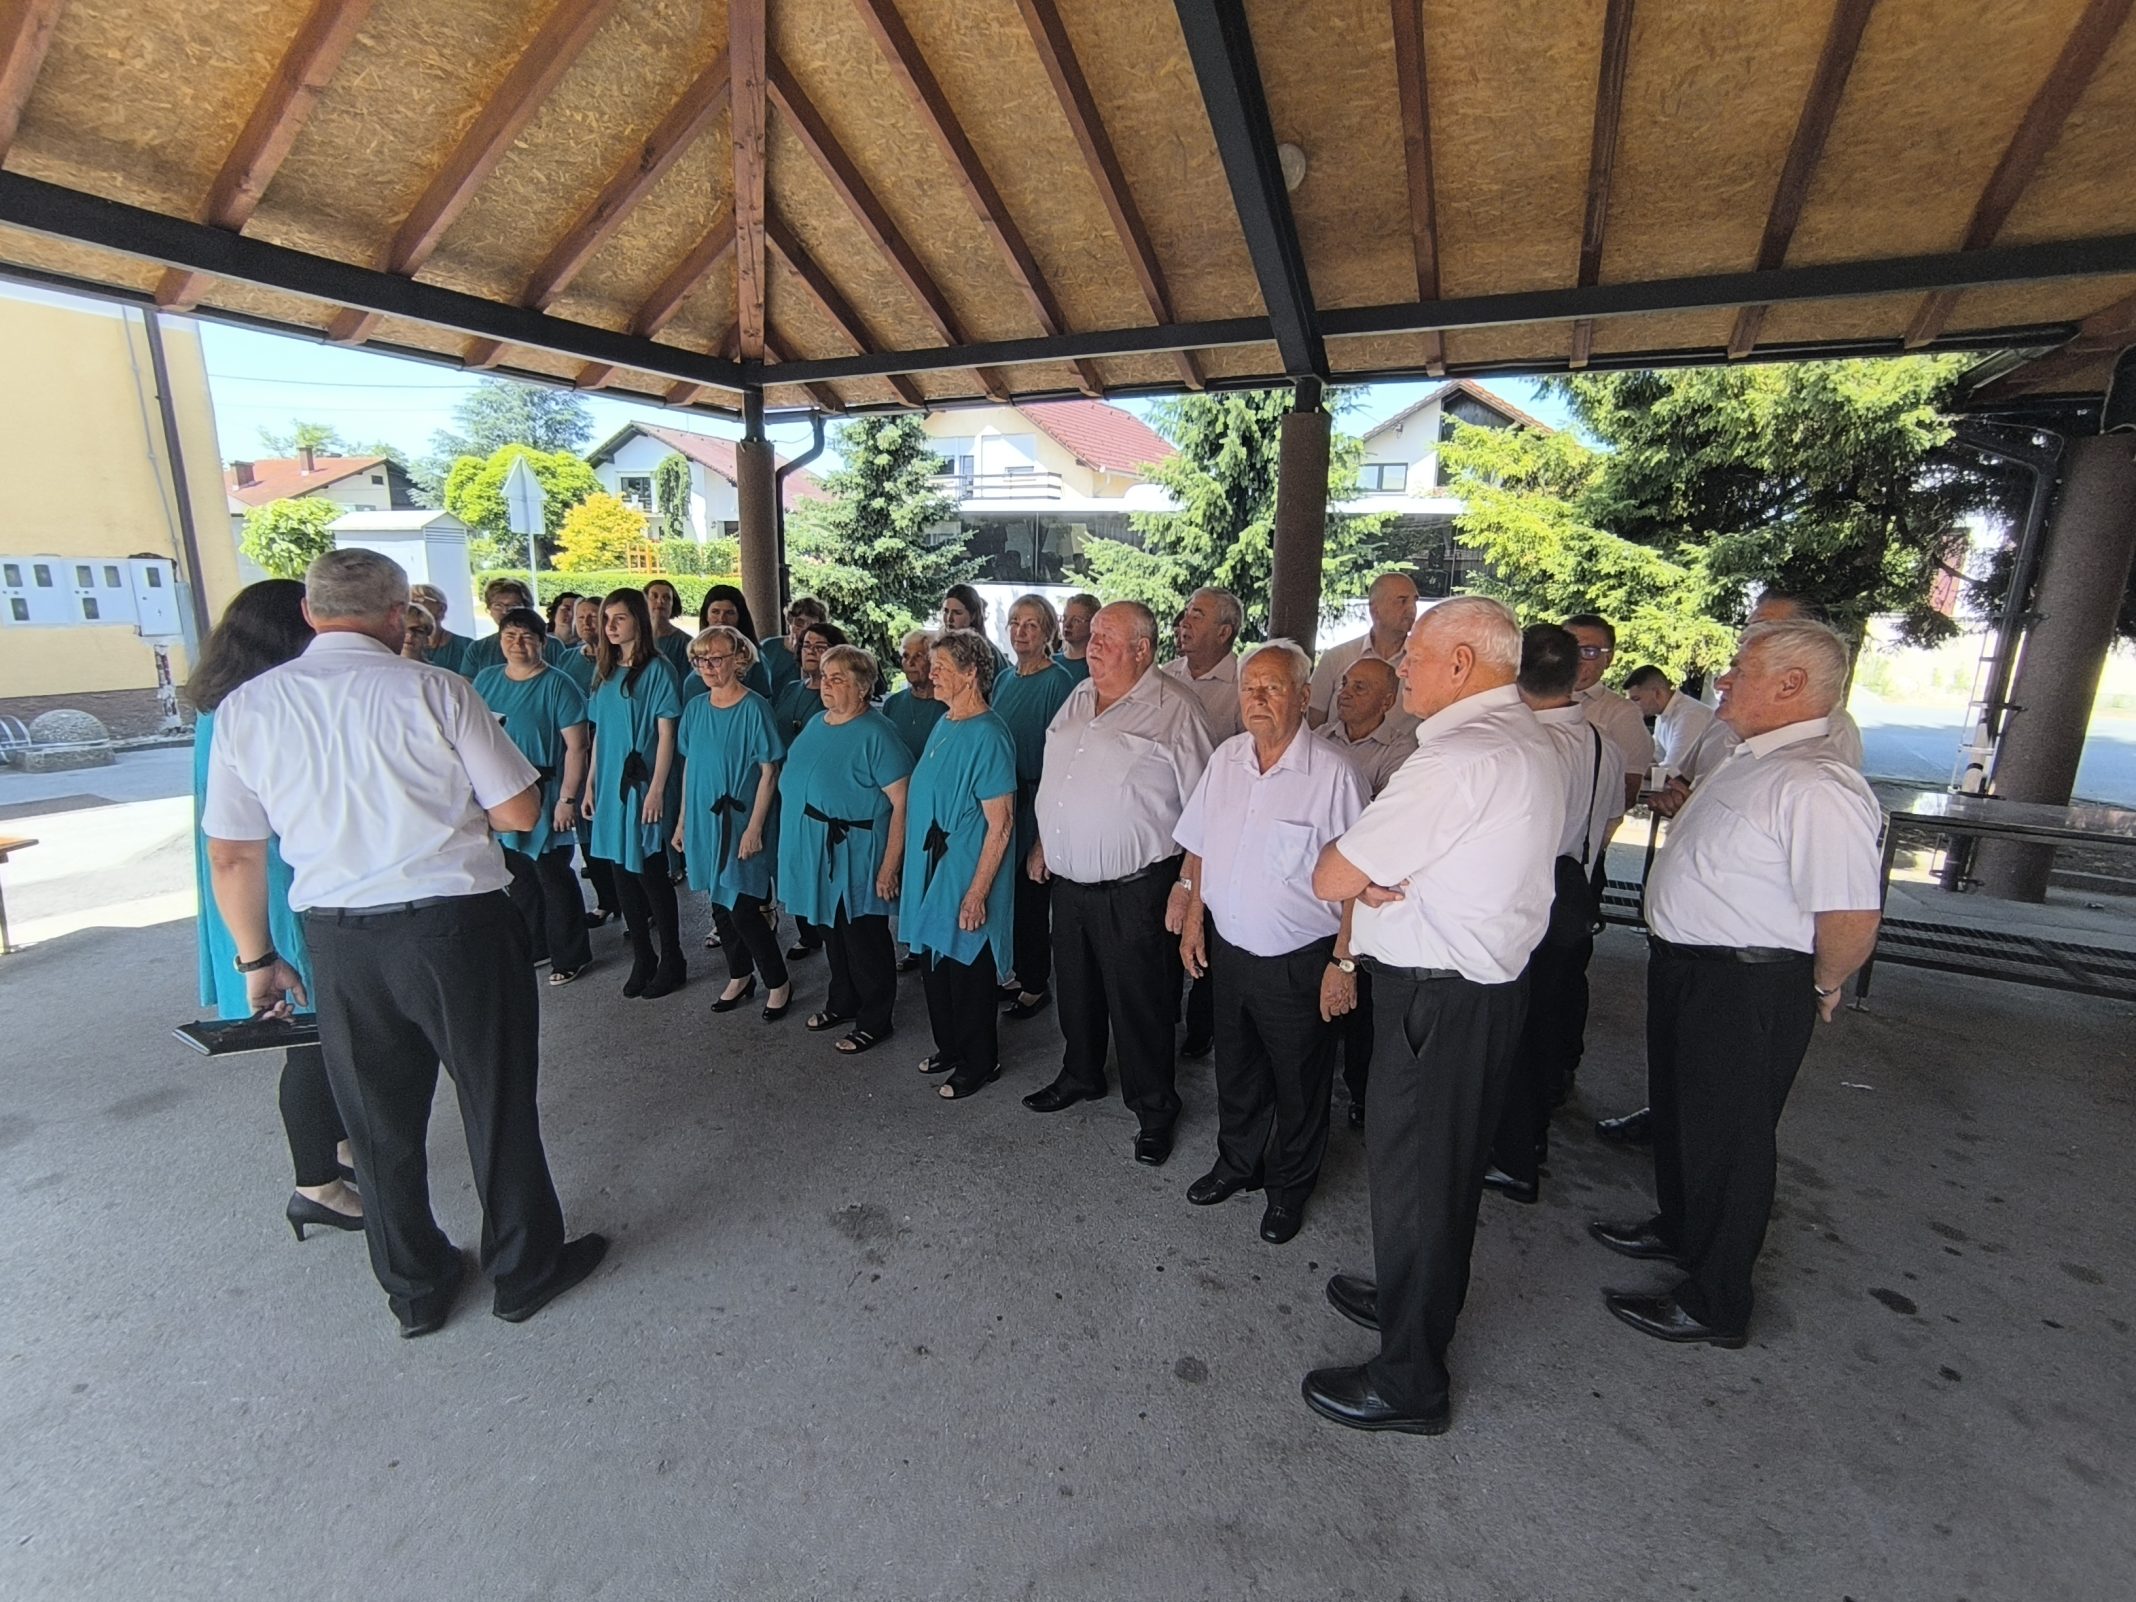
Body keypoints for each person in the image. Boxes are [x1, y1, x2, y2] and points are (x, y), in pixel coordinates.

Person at [203, 547, 605, 1339]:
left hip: (340, 940)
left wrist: (258, 959)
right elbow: (519, 812)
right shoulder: (436, 689)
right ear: (397, 617)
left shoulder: (246, 709)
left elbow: (233, 855)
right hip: (456, 925)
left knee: (375, 1119)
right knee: (495, 1098)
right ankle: (524, 1271)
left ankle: (415, 1288)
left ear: (311, 613)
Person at [1301, 596, 1565, 1436]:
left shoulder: (1458, 756)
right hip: (1474, 996)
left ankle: (1409, 1380)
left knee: (1418, 1181)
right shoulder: (1523, 735)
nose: (1399, 664)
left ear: (1461, 664)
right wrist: (1377, 876)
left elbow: (1332, 876)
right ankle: (1412, 1299)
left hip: (1438, 1001)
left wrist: (1363, 876)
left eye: (1413, 652)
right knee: (1438, 1176)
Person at [1591, 619, 1882, 1348]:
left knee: (1730, 1138)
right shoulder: (1751, 756)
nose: (1722, 680)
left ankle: (1715, 1299)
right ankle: (1681, 1228)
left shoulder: (1818, 783)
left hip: (1747, 982)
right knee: (1684, 1114)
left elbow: (1850, 916)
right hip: (1693, 969)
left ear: (1792, 685)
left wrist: (1822, 983)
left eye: (1740, 670)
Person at [1174, 641, 1367, 1244]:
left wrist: (1344, 962)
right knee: (1236, 1070)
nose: (1256, 698)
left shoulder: (1335, 774)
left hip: (1300, 963)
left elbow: (1360, 880)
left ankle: (1289, 1191)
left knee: (1300, 1084)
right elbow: (1200, 845)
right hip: (1231, 951)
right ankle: (1238, 1163)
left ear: (1304, 697)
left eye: (1273, 687)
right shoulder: (1226, 759)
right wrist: (1193, 916)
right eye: (1248, 686)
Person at [187, 579, 361, 1242]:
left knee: (323, 1037)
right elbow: (235, 849)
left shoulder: (228, 704)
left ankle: (336, 1145)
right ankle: (317, 1186)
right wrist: (258, 954)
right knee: (308, 1041)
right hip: (275, 891)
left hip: (263, 885)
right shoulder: (248, 710)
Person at [1023, 602, 1213, 1166]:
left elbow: (1208, 809)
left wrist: (1188, 887)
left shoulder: (1176, 710)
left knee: (1140, 1003)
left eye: (1107, 636)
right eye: (1094, 634)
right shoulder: (1080, 695)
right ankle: (1080, 1072)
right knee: (1075, 990)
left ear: (1142, 649)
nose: (1093, 643)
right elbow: (1062, 777)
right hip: (1069, 883)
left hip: (1136, 888)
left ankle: (1154, 1108)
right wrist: (1046, 840)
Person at [1482, 625, 1624, 1205]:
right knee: (1546, 1022)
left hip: (1521, 901)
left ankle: (1511, 1153)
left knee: (1510, 1032)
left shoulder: (1518, 747)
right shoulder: (1602, 745)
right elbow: (1609, 823)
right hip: (1572, 898)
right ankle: (1532, 1137)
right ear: (1575, 676)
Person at [899, 628, 1017, 1099]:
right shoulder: (946, 720)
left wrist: (977, 891)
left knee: (967, 968)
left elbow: (1001, 824)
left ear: (971, 674)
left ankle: (979, 1062)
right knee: (935, 961)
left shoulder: (989, 734)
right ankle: (950, 1047)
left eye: (942, 667)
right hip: (932, 862)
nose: (932, 674)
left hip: (965, 865)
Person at [778, 643, 913, 1054]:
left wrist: (890, 866)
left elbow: (903, 801)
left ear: (863, 686)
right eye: (824, 676)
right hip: (817, 850)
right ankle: (843, 1001)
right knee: (831, 931)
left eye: (837, 678)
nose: (826, 684)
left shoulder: (877, 733)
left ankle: (875, 1019)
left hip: (857, 852)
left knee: (863, 937)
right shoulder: (818, 722)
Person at [673, 625, 792, 1022]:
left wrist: (755, 828)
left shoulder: (754, 708)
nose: (707, 667)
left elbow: (770, 772)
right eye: (700, 660)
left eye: (716, 659)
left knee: (743, 908)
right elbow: (690, 767)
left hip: (741, 820)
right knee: (719, 907)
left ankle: (778, 981)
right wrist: (682, 822)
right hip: (704, 819)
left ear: (739, 660)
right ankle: (740, 975)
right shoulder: (695, 708)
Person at [473, 607, 593, 987]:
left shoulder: (559, 685)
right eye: (509, 636)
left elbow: (577, 747)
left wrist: (567, 800)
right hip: (501, 792)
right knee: (518, 875)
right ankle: (536, 945)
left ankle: (570, 954)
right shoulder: (486, 680)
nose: (517, 644)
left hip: (548, 790)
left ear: (542, 642)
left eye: (526, 637)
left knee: (553, 876)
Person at [582, 588, 686, 998]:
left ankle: (673, 958)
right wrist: (591, 782)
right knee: (620, 871)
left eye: (619, 618)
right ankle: (643, 956)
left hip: (641, 781)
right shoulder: (605, 671)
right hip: (610, 782)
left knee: (650, 872)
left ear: (638, 621)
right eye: (607, 619)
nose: (610, 626)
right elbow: (599, 733)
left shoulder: (658, 670)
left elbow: (666, 735)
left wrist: (658, 789)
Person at [992, 594, 1076, 1022]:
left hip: (1036, 800)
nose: (1020, 632)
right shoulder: (1004, 680)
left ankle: (1035, 982)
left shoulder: (1059, 682)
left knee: (1030, 895)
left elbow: (1064, 757)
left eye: (1030, 624)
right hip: (1001, 798)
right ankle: (1010, 969)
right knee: (1002, 890)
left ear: (1047, 632)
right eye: (1014, 623)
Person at [1308, 572, 1419, 731]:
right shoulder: (1336, 658)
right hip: (1337, 746)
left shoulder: (1425, 662)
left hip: (1405, 748)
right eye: (1402, 601)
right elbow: (1313, 724)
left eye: (1415, 601)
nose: (1412, 609)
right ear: (1375, 610)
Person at [1160, 586, 1244, 744]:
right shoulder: (1167, 675)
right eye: (1186, 614)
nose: (1184, 623)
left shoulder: (1244, 686)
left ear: (1223, 633)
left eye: (1196, 617)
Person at [1318, 656, 1411, 798]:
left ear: (1386, 702)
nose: (1344, 693)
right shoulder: (1321, 736)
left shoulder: (1398, 750)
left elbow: (1387, 805)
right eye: (1344, 683)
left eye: (1359, 688)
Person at [1625, 664, 1715, 783]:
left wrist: (1629, 769)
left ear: (1657, 693)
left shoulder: (1690, 715)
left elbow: (1672, 771)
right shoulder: (1663, 716)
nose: (1632, 706)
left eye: (1636, 699)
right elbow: (1654, 757)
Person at [773, 619, 842, 749]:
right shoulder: (790, 688)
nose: (811, 651)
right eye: (806, 645)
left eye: (820, 647)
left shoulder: (838, 693)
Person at [696, 584, 774, 698]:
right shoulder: (696, 652)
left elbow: (762, 697)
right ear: (706, 616)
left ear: (739, 617)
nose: (722, 619)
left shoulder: (754, 658)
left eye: (729, 613)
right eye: (715, 612)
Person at [881, 628, 947, 760]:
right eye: (906, 656)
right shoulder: (892, 704)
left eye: (918, 656)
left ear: (933, 662)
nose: (910, 663)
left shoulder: (947, 706)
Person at [459, 578, 538, 679]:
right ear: (489, 609)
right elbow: (467, 684)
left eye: (513, 606)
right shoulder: (478, 648)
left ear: (528, 608)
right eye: (498, 605)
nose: (505, 611)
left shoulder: (551, 646)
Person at [760, 595, 828, 700]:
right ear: (790, 621)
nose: (805, 629)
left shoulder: (822, 653)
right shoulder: (767, 647)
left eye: (812, 626)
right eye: (800, 622)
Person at [942, 583, 1010, 676]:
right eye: (946, 611)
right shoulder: (941, 647)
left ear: (973, 616)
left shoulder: (987, 652)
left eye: (957, 612)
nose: (949, 619)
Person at [409, 583, 470, 675]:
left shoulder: (466, 646)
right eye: (408, 601)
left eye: (417, 600)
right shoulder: (404, 645)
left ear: (441, 608)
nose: (411, 606)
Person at [643, 578, 696, 686]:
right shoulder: (635, 638)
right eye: (654, 596)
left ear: (673, 604)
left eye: (666, 597)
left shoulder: (686, 642)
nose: (660, 601)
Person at [1053, 591, 1098, 683]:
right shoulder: (1050, 663)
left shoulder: (1097, 667)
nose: (1067, 625)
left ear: (1092, 624)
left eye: (1076, 620)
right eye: (1065, 618)